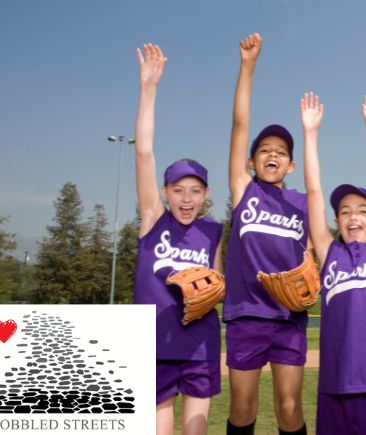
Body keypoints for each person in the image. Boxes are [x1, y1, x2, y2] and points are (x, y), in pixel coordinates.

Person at [301, 91, 366, 434]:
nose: (353, 218)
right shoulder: (329, 252)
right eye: (344, 212)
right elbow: (314, 193)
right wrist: (310, 135)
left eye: (362, 211)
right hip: (336, 383)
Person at [133, 43, 224, 435]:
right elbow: (145, 154)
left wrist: (213, 289)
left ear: (205, 194)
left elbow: (219, 285)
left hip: (200, 342)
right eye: (179, 190)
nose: (187, 199)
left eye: (195, 191)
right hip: (154, 340)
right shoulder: (153, 219)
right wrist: (149, 90)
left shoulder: (214, 231)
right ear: (166, 192)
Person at [224, 33, 309, 435]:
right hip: (246, 314)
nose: (272, 154)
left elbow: (313, 252)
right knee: (242, 407)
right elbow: (240, 124)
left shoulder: (304, 203)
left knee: (290, 408)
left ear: (291, 165)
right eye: (264, 150)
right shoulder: (245, 190)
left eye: (281, 151)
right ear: (251, 161)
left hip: (289, 316)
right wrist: (248, 66)